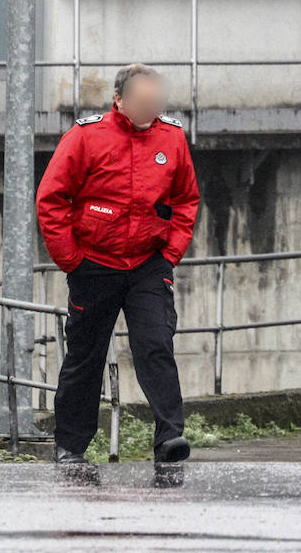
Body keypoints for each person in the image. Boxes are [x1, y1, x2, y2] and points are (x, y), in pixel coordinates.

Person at [36, 63, 200, 464]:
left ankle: (169, 439)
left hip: (148, 263)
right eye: (142, 100)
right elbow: (51, 199)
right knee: (85, 356)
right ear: (119, 100)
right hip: (94, 263)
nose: (151, 107)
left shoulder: (173, 138)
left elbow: (186, 201)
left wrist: (170, 254)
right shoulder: (85, 137)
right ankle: (70, 447)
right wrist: (72, 260)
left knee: (156, 344)